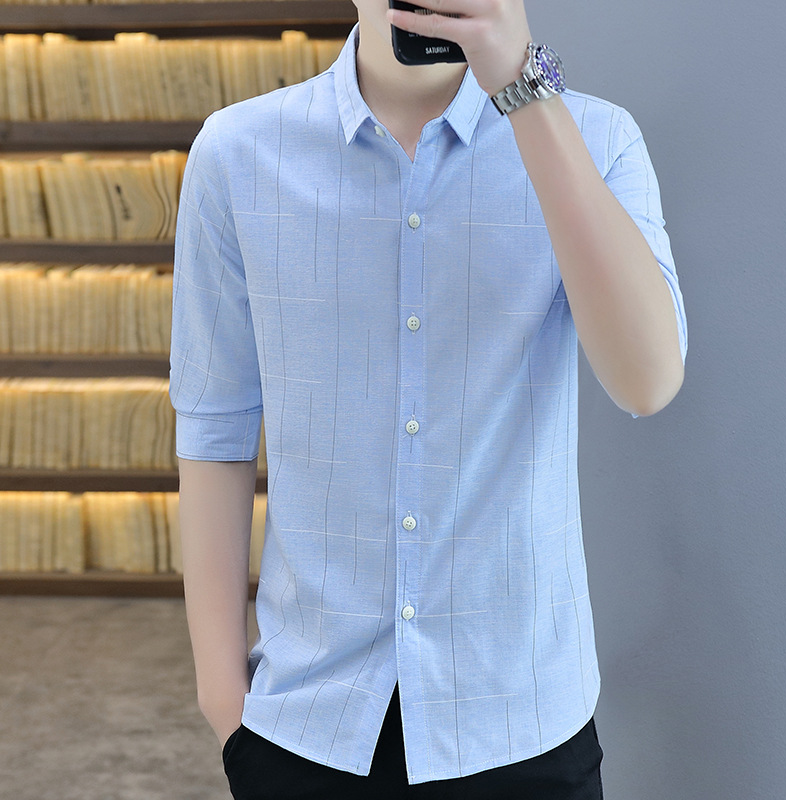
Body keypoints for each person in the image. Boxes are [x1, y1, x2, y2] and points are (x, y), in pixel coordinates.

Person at [168, 0, 687, 796]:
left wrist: (523, 88)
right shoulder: (238, 152)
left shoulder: (597, 137)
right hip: (305, 722)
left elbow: (646, 382)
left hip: (523, 724)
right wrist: (222, 700)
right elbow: (215, 429)